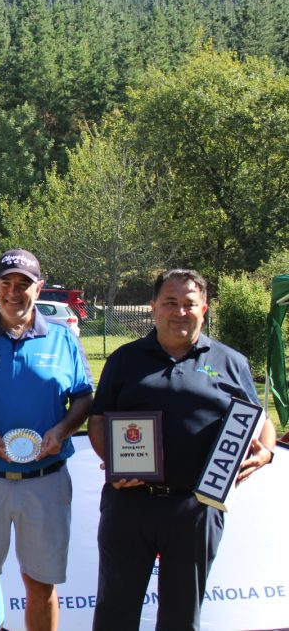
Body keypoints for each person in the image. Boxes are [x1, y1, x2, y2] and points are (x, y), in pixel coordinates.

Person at [88, 269, 277, 631]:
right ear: (153, 307)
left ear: (204, 309)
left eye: (189, 304)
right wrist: (113, 462)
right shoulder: (125, 359)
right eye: (170, 302)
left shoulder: (230, 361)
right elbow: (98, 420)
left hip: (197, 507)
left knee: (181, 615)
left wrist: (266, 452)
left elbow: (261, 420)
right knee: (115, 610)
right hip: (130, 503)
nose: (180, 311)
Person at [0, 249, 93, 631]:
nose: (14, 292)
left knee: (40, 583)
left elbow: (83, 396)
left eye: (24, 284)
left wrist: (61, 431)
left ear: (40, 287)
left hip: (45, 481)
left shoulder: (62, 338)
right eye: (6, 283)